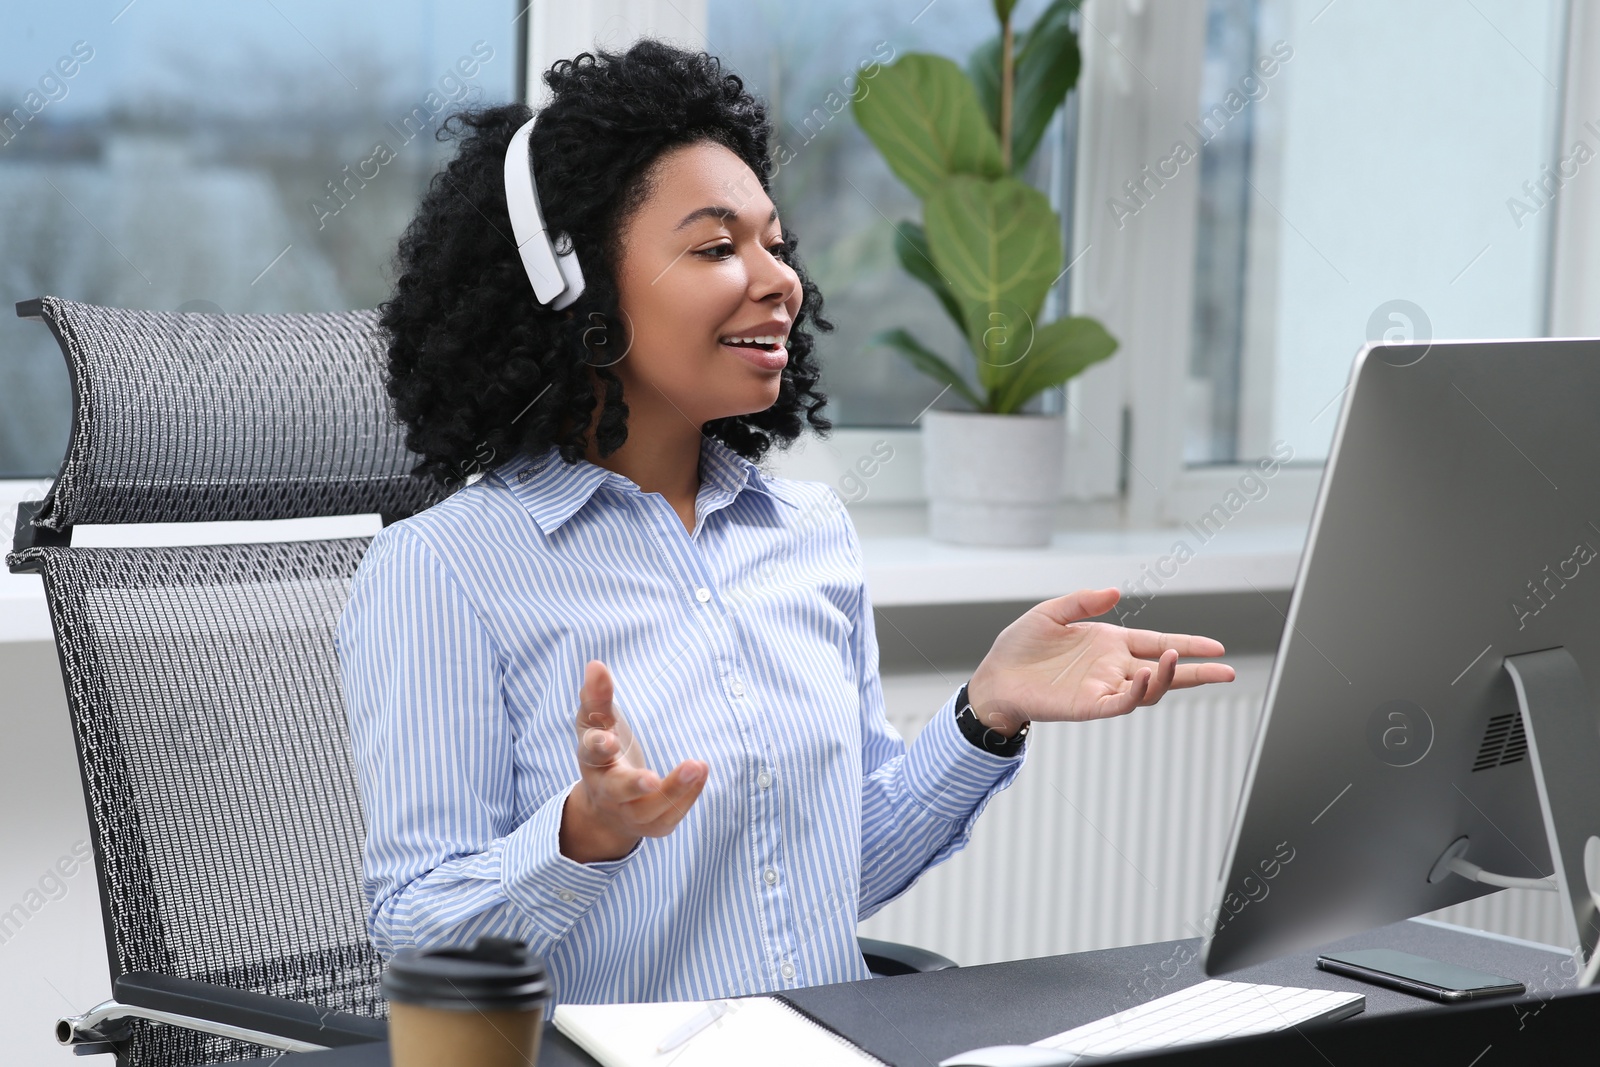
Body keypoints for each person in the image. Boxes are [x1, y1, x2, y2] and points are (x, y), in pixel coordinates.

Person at [335, 38, 1235, 1006]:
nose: (778, 279)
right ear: (572, 283)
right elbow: (419, 931)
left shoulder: (805, 532)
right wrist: (581, 832)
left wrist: (986, 712)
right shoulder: (443, 568)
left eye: (774, 242)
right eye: (717, 246)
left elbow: (826, 871)